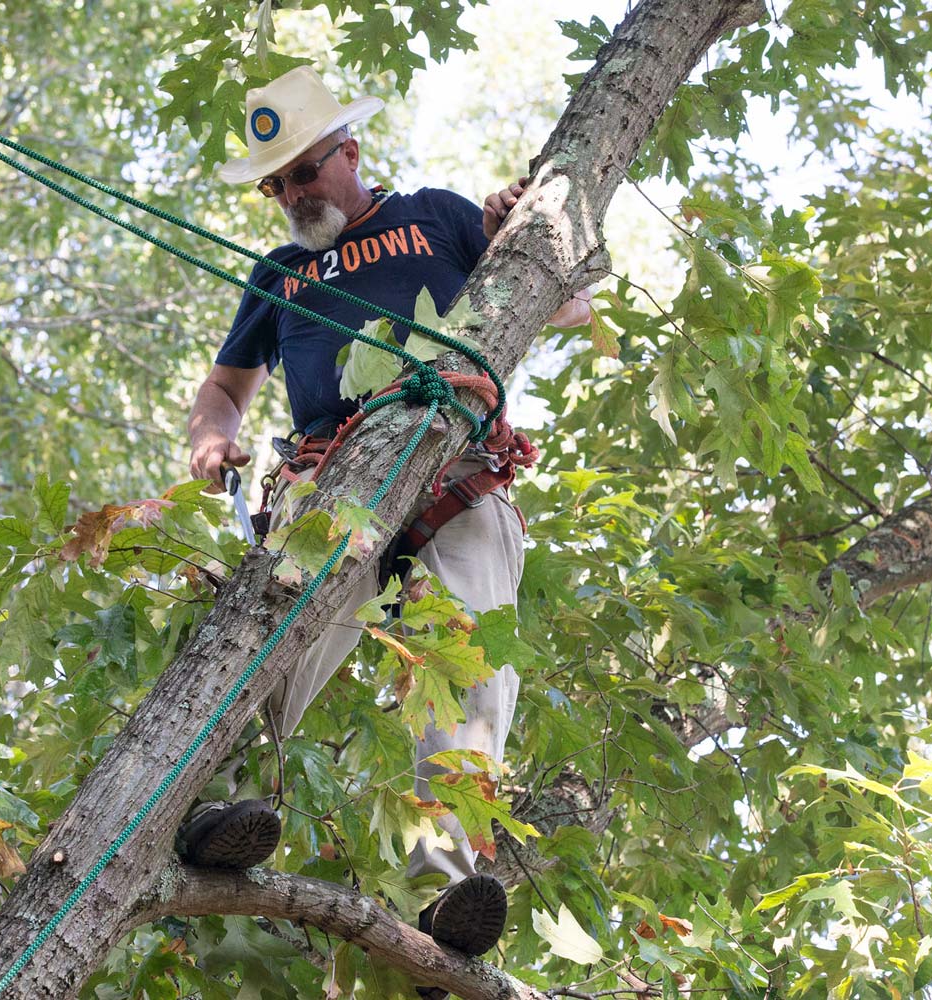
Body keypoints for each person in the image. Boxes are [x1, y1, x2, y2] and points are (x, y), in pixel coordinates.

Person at [179, 65, 590, 979]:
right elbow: (224, 386)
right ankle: (226, 812)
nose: (291, 196)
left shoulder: (437, 216)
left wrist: (513, 234)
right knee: (266, 644)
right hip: (332, 485)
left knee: (474, 672)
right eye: (276, 184)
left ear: (350, 152)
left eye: (305, 172)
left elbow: (567, 303)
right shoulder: (281, 274)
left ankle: (446, 886)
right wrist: (212, 440)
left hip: (455, 474)